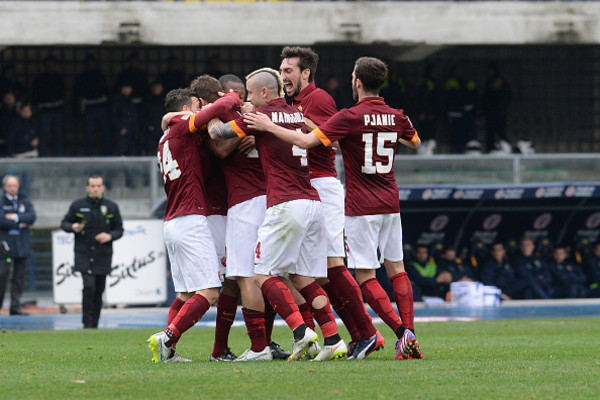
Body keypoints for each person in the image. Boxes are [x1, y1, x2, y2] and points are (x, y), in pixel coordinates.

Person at [243, 57, 424, 360]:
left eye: (289, 70)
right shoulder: (397, 115)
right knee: (392, 268)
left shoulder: (341, 111)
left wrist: (269, 124)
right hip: (389, 200)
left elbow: (310, 141)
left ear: (357, 82)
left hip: (351, 199)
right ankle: (392, 334)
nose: (284, 75)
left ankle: (383, 333)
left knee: (353, 271)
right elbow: (415, 142)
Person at [208, 68, 347, 361]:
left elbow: (216, 134)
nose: (246, 97)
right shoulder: (296, 114)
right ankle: (333, 338)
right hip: (313, 202)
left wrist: (222, 108)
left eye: (248, 92)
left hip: (285, 204)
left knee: (260, 274)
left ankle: (299, 332)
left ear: (264, 93)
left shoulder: (260, 118)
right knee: (301, 276)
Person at [279, 46, 383, 360]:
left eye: (289, 71)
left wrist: (294, 122)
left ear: (306, 73)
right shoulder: (292, 102)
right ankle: (352, 336)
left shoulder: (318, 98)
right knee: (319, 272)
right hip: (304, 189)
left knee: (333, 265)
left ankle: (368, 333)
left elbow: (332, 137)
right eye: (282, 71)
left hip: (323, 184)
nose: (284, 76)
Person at [147, 88, 241, 363]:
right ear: (187, 108)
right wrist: (232, 98)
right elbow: (207, 115)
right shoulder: (179, 126)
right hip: (190, 218)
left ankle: (168, 353)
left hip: (173, 220)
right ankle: (168, 337)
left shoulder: (165, 136)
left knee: (187, 293)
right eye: (196, 106)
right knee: (211, 291)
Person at [60, 174, 123, 328]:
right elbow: (65, 223)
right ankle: (86, 322)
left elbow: (119, 229)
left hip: (103, 254)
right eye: (92, 186)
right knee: (89, 286)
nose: (95, 189)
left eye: (98, 186)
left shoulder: (111, 206)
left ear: (103, 187)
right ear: (88, 187)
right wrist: (73, 227)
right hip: (84, 253)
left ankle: (94, 323)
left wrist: (109, 236)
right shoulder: (77, 205)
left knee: (99, 289)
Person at [0, 175, 36, 316]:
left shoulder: (25, 200)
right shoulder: (1, 201)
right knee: (2, 275)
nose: (12, 188)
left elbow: (32, 217)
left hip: (22, 245)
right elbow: (1, 220)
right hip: (4, 246)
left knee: (19, 277)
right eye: (9, 186)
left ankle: (15, 307)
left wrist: (14, 217)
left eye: (14, 185)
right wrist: (21, 222)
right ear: (4, 187)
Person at [74, 54, 111, 156]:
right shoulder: (82, 77)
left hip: (101, 107)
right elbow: (78, 94)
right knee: (88, 134)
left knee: (104, 133)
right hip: (88, 109)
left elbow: (106, 92)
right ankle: (88, 155)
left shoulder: (100, 75)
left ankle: (106, 154)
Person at [32, 55, 64, 156]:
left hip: (57, 109)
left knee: (58, 135)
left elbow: (62, 92)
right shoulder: (40, 78)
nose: (51, 66)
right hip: (45, 110)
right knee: (43, 135)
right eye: (49, 64)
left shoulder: (58, 78)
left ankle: (59, 156)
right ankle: (42, 156)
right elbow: (35, 93)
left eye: (52, 64)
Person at [482, 61, 512, 153]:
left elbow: (506, 97)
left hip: (497, 113)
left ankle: (506, 150)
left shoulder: (498, 82)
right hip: (493, 113)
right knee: (491, 134)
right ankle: (490, 151)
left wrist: (500, 108)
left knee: (500, 133)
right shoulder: (491, 81)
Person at [110, 83, 138, 156]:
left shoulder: (131, 100)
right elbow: (112, 116)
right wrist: (120, 128)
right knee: (121, 152)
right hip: (121, 131)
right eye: (127, 87)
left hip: (131, 131)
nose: (129, 90)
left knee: (132, 152)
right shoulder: (116, 100)